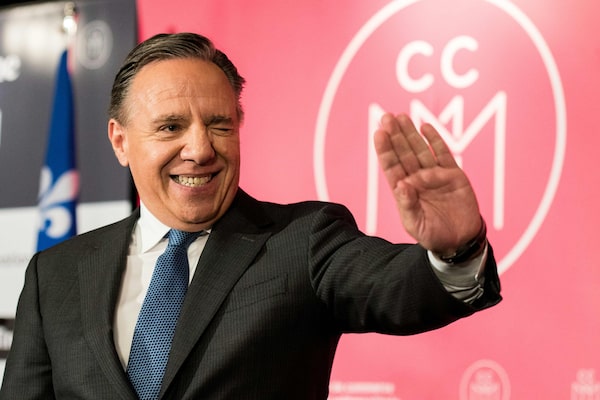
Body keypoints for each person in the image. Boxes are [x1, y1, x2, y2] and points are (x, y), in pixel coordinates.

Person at [0, 32, 501, 400]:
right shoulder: (55, 275)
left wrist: (455, 251)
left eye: (219, 125)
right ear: (120, 141)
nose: (200, 149)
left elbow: (395, 288)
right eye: (171, 127)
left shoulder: (304, 241)